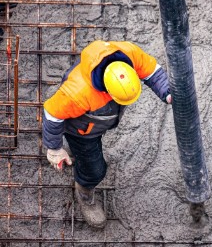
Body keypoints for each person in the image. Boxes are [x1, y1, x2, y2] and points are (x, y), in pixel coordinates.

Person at [42, 40, 171, 229]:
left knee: (88, 153)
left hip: (95, 119)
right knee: (95, 170)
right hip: (81, 131)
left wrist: (167, 91)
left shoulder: (129, 54)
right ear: (107, 89)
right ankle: (85, 195)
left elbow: (152, 71)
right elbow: (52, 113)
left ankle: (74, 153)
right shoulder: (78, 93)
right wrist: (54, 148)